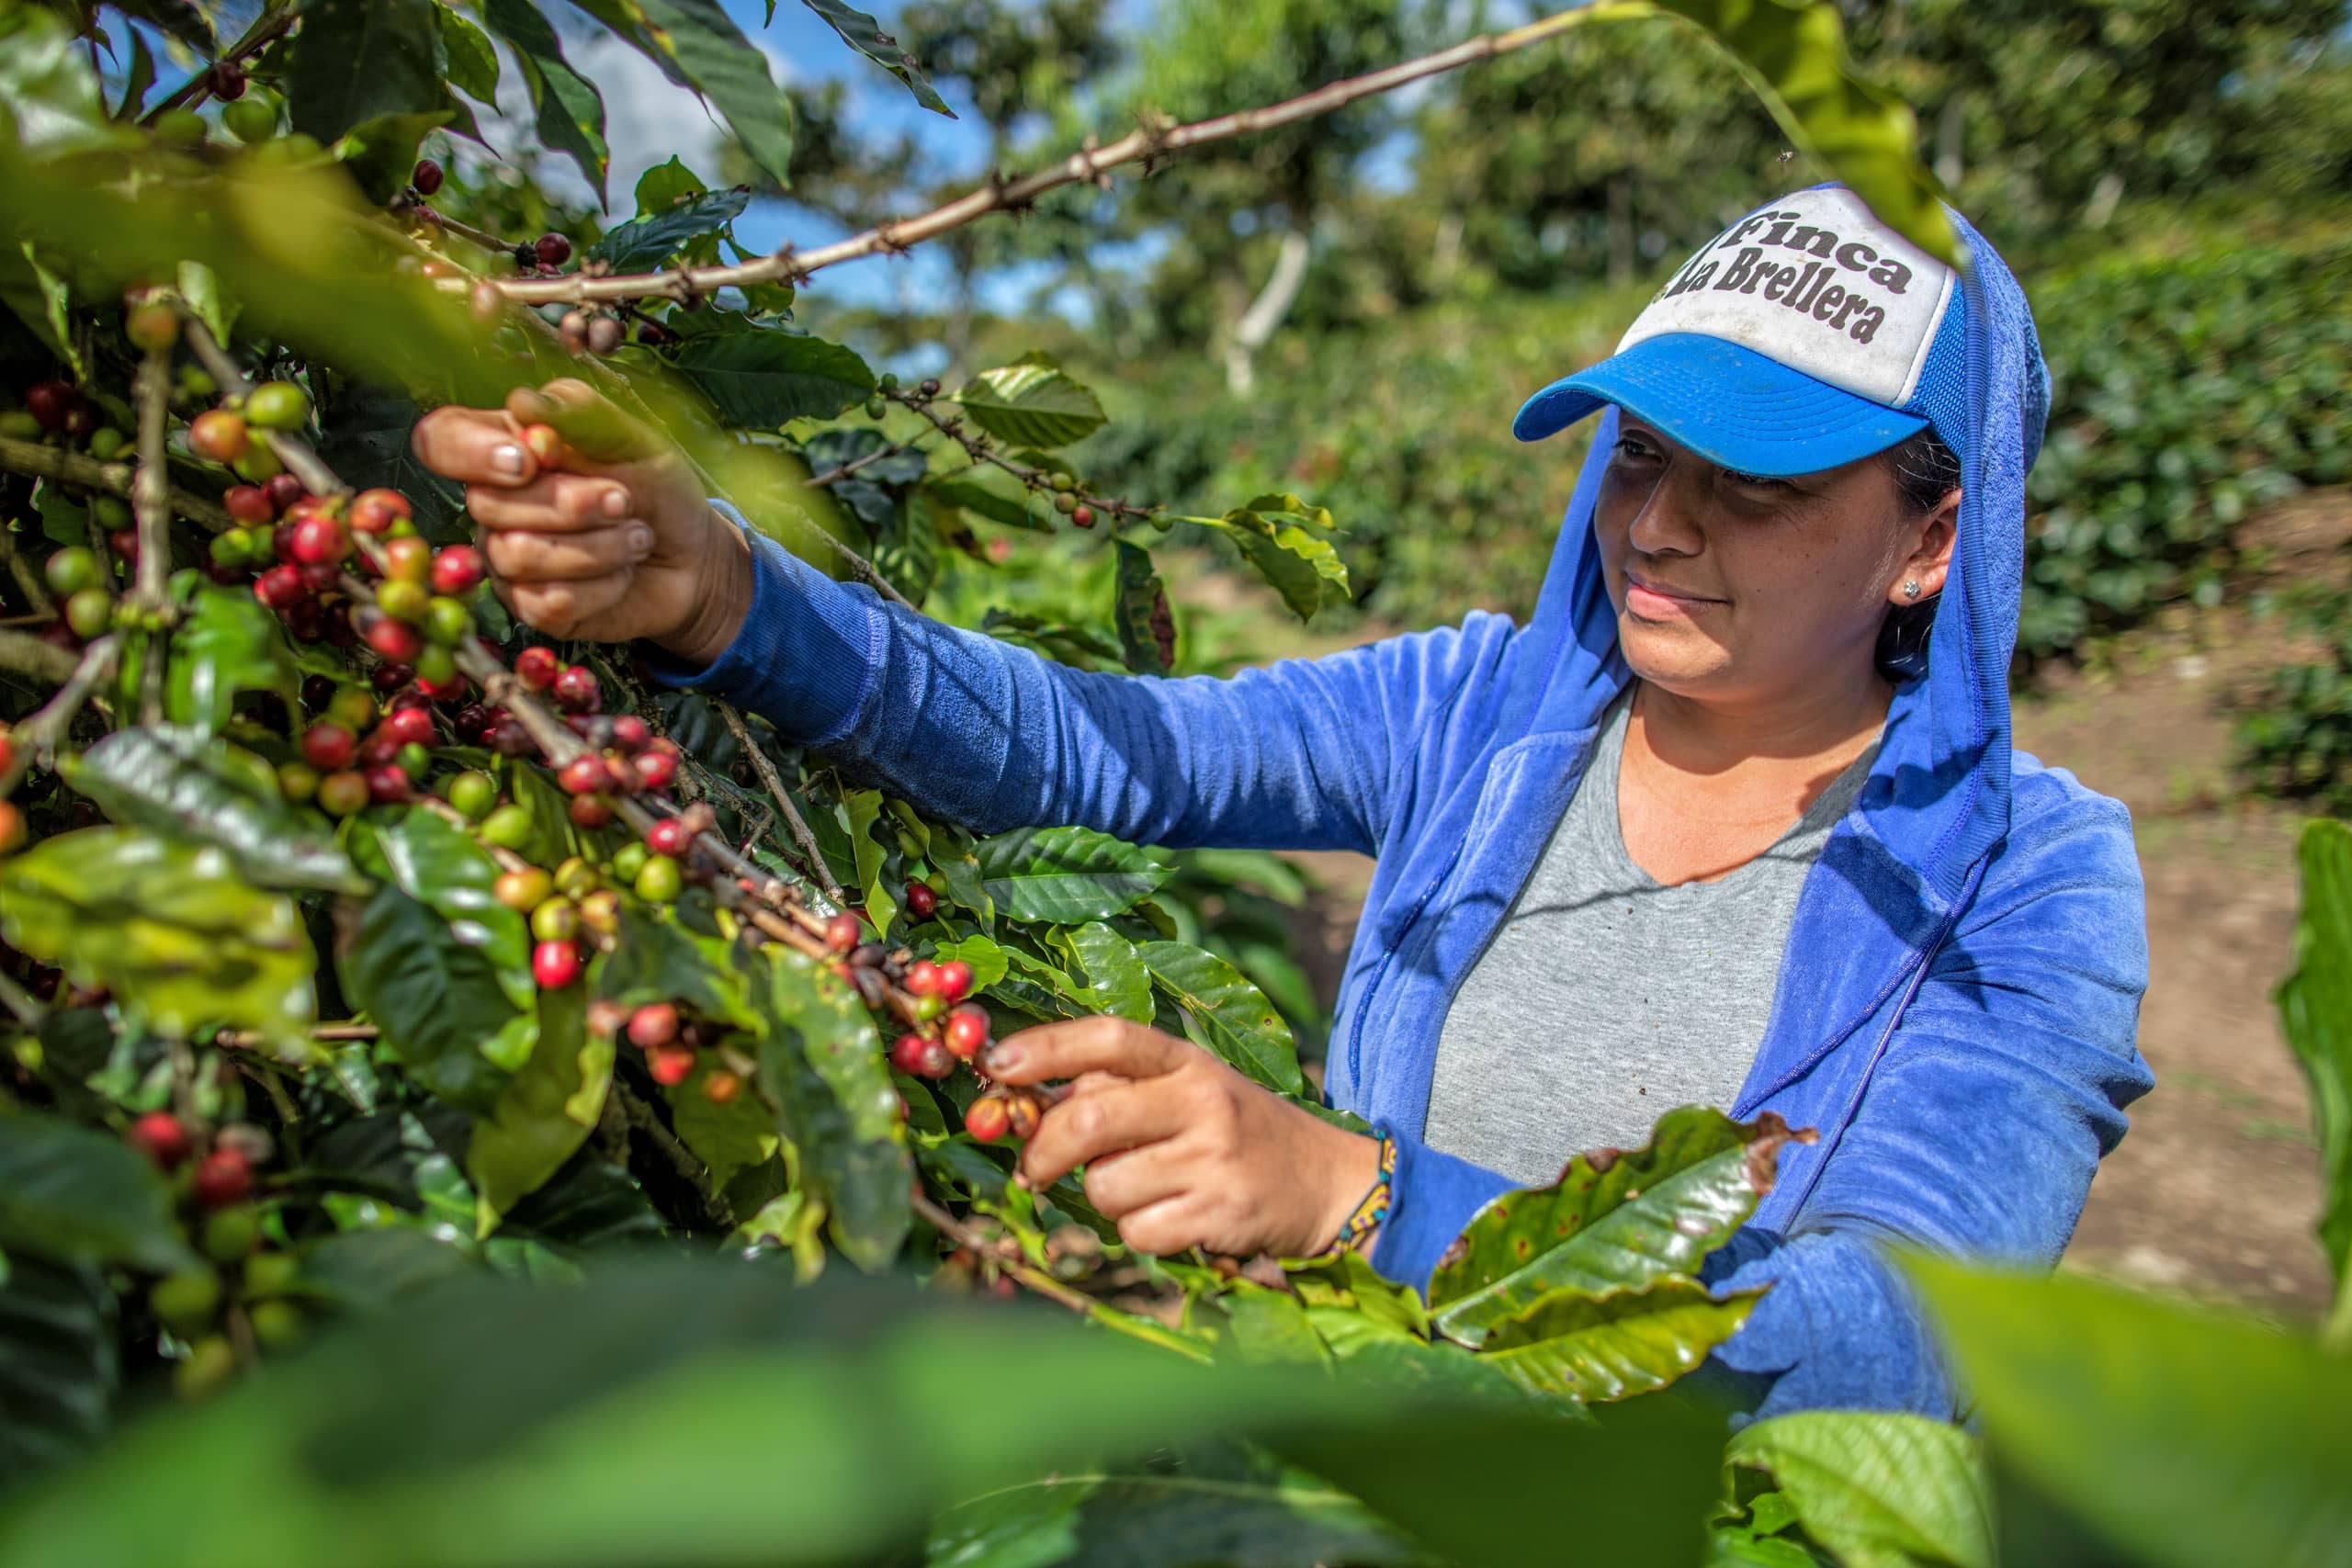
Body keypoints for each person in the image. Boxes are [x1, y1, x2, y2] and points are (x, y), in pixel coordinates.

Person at [412, 184, 2153, 1419]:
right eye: (1638, 455)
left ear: (1932, 543)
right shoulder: (1481, 716)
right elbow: (1097, 749)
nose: (1661, 525)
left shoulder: (2026, 878)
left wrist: (1367, 1203)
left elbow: (1912, 1343)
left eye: (1756, 485)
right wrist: (724, 592)